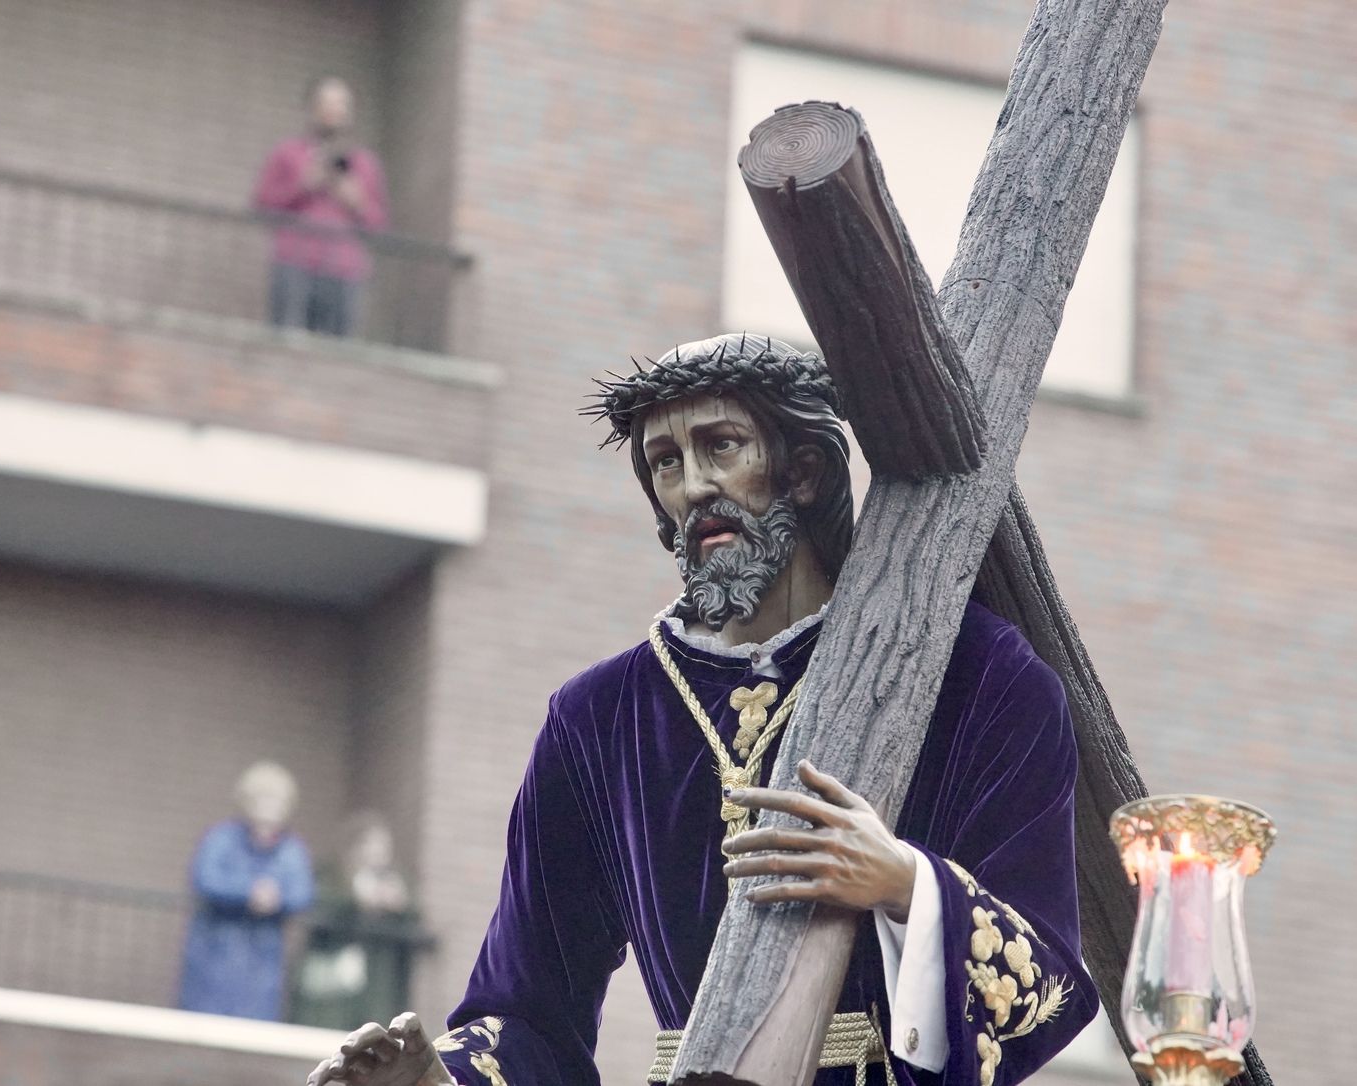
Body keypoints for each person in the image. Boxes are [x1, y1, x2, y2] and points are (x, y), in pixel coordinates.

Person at [309, 335, 1097, 1085]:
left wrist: (904, 885)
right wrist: (434, 1078)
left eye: (722, 447)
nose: (693, 486)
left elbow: (1052, 978)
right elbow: (530, 1011)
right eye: (665, 461)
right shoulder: (599, 721)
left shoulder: (973, 672)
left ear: (807, 471)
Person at [253, 76, 390, 337]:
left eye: (340, 104)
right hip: (293, 263)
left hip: (344, 270)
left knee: (334, 355)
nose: (332, 111)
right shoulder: (288, 153)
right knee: (286, 344)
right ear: (311, 108)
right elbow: (262, 205)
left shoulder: (365, 164)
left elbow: (379, 227)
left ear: (350, 113)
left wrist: (357, 202)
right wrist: (303, 185)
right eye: (326, 103)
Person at [179, 760, 316, 1020]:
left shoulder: (292, 850)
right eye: (262, 799)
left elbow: (302, 893)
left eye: (276, 800)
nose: (269, 808)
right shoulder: (221, 838)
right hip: (215, 951)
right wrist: (248, 893)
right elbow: (205, 878)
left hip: (263, 962)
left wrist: (277, 898)